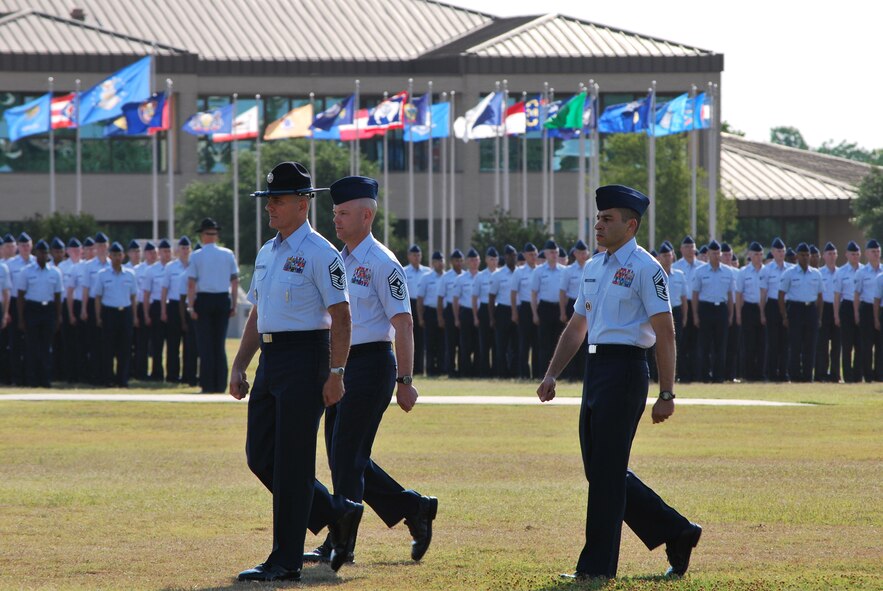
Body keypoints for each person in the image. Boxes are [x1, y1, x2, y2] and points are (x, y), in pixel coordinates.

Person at [537, 185, 701, 581]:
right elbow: (578, 326)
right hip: (596, 371)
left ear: (630, 225)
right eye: (597, 217)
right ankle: (677, 531)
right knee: (600, 470)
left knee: (607, 474)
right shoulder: (593, 267)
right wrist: (552, 372)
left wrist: (666, 392)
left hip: (626, 370)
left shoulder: (647, 268)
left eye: (607, 218)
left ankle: (596, 568)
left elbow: (665, 332)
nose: (598, 224)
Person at [230, 161, 361, 582]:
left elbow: (341, 316)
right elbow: (257, 313)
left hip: (307, 359)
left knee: (292, 465)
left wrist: (337, 372)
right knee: (260, 456)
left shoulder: (321, 253)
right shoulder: (267, 251)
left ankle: (284, 562)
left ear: (303, 204)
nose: (270, 207)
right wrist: (240, 363)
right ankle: (336, 512)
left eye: (279, 200)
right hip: (271, 359)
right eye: (268, 199)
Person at [304, 175, 437, 569]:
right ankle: (413, 507)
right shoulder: (338, 258)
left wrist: (406, 381)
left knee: (347, 455)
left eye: (343, 213)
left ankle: (340, 544)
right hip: (341, 365)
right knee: (344, 454)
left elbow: (404, 324)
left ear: (366, 215)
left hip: (373, 364)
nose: (336, 220)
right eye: (333, 213)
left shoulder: (383, 263)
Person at [188, 218, 239, 393]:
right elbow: (234, 281)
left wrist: (190, 306)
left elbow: (191, 283)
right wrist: (233, 303)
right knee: (219, 344)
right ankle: (219, 384)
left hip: (203, 300)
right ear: (215, 235)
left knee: (205, 345)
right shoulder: (228, 254)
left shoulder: (196, 256)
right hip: (222, 299)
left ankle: (207, 384)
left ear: (203, 235)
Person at [17, 240, 63, 388]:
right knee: (32, 347)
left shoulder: (55, 272)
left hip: (48, 310)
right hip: (32, 309)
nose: (43, 255)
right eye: (40, 252)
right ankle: (32, 380)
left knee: (46, 347)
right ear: (35, 253)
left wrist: (58, 316)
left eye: (45, 252)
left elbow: (57, 297)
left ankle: (45, 380)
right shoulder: (27, 271)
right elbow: (20, 296)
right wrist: (21, 318)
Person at [94, 242, 139, 387]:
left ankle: (122, 380)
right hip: (109, 313)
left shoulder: (130, 274)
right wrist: (98, 316)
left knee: (125, 349)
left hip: (124, 312)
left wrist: (135, 316)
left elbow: (133, 297)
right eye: (114, 255)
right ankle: (107, 379)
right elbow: (98, 297)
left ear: (123, 256)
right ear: (109, 256)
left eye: (119, 255)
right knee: (108, 348)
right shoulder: (102, 274)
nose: (117, 258)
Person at [691, 240, 735, 383]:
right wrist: (696, 315)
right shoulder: (700, 271)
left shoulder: (728, 272)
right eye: (713, 253)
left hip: (721, 309)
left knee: (720, 346)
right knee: (704, 345)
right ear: (708, 254)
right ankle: (704, 376)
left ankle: (718, 377)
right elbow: (695, 294)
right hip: (706, 309)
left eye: (718, 253)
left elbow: (730, 295)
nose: (716, 256)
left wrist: (730, 314)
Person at [778, 243, 823, 382]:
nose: (805, 258)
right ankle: (795, 376)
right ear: (797, 256)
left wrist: (819, 317)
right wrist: (784, 316)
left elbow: (820, 297)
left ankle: (808, 376)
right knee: (795, 345)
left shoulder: (816, 274)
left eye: (807, 255)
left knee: (810, 346)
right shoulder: (789, 273)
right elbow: (781, 295)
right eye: (802, 255)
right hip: (795, 310)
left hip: (810, 310)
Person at [80, 232, 112, 385]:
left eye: (103, 245)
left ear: (108, 246)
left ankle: (107, 375)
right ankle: (94, 375)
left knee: (108, 342)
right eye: (98, 246)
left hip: (109, 304)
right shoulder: (89, 266)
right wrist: (84, 309)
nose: (101, 248)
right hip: (93, 304)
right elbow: (85, 288)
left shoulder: (113, 264)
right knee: (94, 342)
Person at [672, 236, 703, 383]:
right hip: (681, 305)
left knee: (697, 342)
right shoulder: (676, 267)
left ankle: (697, 374)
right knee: (682, 342)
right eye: (687, 247)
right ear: (681, 249)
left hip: (698, 305)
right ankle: (683, 374)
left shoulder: (703, 266)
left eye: (692, 247)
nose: (690, 250)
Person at [759, 238, 791, 381]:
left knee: (785, 342)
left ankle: (783, 373)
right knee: (772, 342)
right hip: (772, 305)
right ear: (772, 252)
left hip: (786, 305)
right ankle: (771, 374)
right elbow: (763, 293)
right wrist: (762, 313)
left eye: (783, 251)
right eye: (778, 251)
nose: (781, 254)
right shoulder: (766, 270)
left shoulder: (790, 269)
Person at [532, 239, 565, 377]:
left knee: (558, 344)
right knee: (544, 344)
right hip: (544, 308)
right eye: (551, 252)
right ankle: (542, 374)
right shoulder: (538, 271)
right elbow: (534, 294)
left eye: (556, 252)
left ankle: (558, 375)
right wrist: (535, 314)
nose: (554, 255)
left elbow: (565, 293)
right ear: (545, 254)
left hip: (558, 308)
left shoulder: (564, 271)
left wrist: (563, 311)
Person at [162, 236, 192, 383]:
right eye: (182, 248)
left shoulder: (194, 265)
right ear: (177, 250)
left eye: (187, 248)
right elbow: (164, 290)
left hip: (189, 306)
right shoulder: (170, 267)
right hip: (173, 305)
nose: (185, 251)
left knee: (189, 344)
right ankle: (172, 376)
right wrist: (163, 310)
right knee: (173, 343)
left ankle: (187, 375)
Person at [7, 232, 35, 385]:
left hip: (31, 304)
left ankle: (29, 376)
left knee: (31, 342)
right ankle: (16, 377)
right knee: (15, 342)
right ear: (18, 247)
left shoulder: (37, 262)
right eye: (22, 245)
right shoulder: (10, 264)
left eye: (27, 245)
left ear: (31, 246)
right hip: (14, 304)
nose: (25, 248)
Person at [559, 240, 589, 380]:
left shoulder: (591, 267)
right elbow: (562, 292)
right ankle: (571, 373)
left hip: (588, 305)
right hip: (572, 304)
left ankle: (583, 372)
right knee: (572, 339)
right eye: (580, 253)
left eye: (585, 253)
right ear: (575, 254)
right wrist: (562, 311)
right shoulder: (568, 270)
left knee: (586, 341)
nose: (583, 255)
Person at [657, 242, 688, 380]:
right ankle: (657, 375)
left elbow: (684, 298)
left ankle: (677, 375)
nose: (667, 258)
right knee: (659, 344)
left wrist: (685, 317)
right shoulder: (655, 273)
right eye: (664, 255)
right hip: (660, 312)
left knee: (678, 343)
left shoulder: (680, 275)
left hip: (676, 311)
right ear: (659, 257)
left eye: (669, 255)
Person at [736, 242, 766, 381]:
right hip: (749, 308)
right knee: (749, 344)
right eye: (756, 254)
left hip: (763, 309)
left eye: (760, 254)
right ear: (750, 255)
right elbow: (738, 294)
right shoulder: (743, 272)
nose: (759, 257)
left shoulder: (766, 271)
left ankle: (760, 374)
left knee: (762, 344)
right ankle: (747, 375)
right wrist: (738, 314)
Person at [853, 239, 882, 382]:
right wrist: (857, 313)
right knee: (866, 344)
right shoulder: (862, 272)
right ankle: (868, 375)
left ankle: (879, 374)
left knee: (880, 343)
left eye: (878, 251)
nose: (876, 254)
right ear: (867, 254)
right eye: (873, 252)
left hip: (880, 309)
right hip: (866, 309)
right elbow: (857, 294)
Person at [834, 241, 862, 383]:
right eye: (853, 254)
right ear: (846, 255)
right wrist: (836, 315)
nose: (855, 257)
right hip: (846, 308)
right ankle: (848, 376)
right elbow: (837, 295)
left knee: (860, 344)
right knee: (847, 344)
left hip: (861, 307)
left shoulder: (863, 270)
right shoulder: (841, 272)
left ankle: (858, 375)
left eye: (857, 254)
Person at [143, 239, 171, 381]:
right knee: (157, 343)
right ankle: (157, 374)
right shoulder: (151, 270)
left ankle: (172, 374)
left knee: (172, 343)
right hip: (156, 306)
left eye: (168, 251)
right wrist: (147, 314)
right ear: (159, 253)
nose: (166, 254)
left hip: (171, 306)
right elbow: (146, 294)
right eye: (164, 251)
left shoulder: (174, 267)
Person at [489, 245, 518, 378]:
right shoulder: (498, 274)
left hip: (517, 310)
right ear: (505, 257)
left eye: (514, 256)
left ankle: (514, 371)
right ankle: (502, 373)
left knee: (516, 344)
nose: (512, 258)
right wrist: (492, 317)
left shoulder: (520, 272)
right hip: (502, 311)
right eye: (509, 256)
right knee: (501, 345)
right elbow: (491, 296)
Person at [511, 243, 539, 379]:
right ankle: (523, 373)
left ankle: (537, 372)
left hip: (539, 308)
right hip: (525, 309)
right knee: (524, 343)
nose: (533, 257)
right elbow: (513, 293)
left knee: (537, 343)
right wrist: (514, 312)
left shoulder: (540, 270)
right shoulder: (519, 271)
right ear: (525, 255)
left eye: (535, 254)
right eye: (530, 254)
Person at [416, 251, 445, 376]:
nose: (440, 264)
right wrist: (421, 317)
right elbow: (420, 299)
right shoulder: (426, 277)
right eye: (438, 261)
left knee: (442, 342)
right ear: (433, 263)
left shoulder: (447, 277)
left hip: (444, 312)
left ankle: (442, 368)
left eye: (442, 261)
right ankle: (430, 369)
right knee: (430, 342)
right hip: (430, 312)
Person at [404, 244, 430, 375]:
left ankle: (420, 368)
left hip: (423, 305)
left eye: (418, 255)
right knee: (408, 337)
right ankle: (410, 368)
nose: (416, 257)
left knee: (421, 339)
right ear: (409, 256)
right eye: (414, 255)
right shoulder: (404, 271)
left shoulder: (427, 272)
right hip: (409, 305)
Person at [816, 242, 840, 382]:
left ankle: (835, 374)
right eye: (829, 254)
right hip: (824, 309)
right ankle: (821, 374)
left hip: (837, 308)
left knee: (837, 344)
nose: (831, 256)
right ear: (823, 256)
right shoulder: (819, 273)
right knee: (822, 344)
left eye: (833, 253)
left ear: (837, 255)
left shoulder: (841, 272)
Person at [472, 246, 498, 377]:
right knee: (484, 343)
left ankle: (496, 371)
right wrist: (476, 317)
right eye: (491, 259)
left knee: (496, 343)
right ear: (486, 260)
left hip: (497, 309)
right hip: (484, 310)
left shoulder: (500, 274)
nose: (494, 261)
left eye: (495, 259)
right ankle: (484, 372)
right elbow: (474, 297)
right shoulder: (480, 276)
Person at [437, 249, 463, 377]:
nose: (458, 263)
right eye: (456, 260)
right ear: (452, 262)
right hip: (449, 312)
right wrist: (440, 317)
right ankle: (451, 370)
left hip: (462, 311)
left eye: (460, 260)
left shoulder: (465, 275)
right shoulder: (446, 277)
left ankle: (462, 368)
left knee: (462, 342)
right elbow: (440, 298)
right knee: (450, 342)